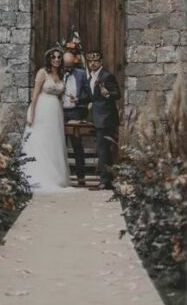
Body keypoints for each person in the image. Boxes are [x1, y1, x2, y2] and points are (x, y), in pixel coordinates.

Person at [20, 46, 70, 193]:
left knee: (54, 142)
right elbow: (35, 95)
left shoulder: (61, 75)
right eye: (53, 57)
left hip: (55, 113)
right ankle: (38, 176)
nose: (56, 60)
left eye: (59, 57)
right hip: (42, 109)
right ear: (49, 59)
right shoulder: (43, 72)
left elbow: (61, 97)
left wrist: (62, 114)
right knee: (40, 140)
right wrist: (31, 114)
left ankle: (56, 176)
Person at [86, 49, 121, 191]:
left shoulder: (107, 76)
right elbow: (93, 97)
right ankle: (108, 179)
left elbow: (117, 94)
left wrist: (107, 94)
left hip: (106, 118)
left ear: (101, 62)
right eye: (90, 61)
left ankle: (104, 180)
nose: (93, 63)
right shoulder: (91, 77)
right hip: (97, 117)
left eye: (95, 61)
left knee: (103, 149)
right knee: (103, 149)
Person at [62, 33, 91, 187]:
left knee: (77, 145)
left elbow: (90, 95)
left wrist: (79, 100)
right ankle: (60, 177)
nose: (67, 68)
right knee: (58, 145)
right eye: (65, 66)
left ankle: (81, 176)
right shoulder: (56, 74)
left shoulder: (81, 74)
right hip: (58, 113)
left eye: (69, 65)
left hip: (75, 113)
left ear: (74, 62)